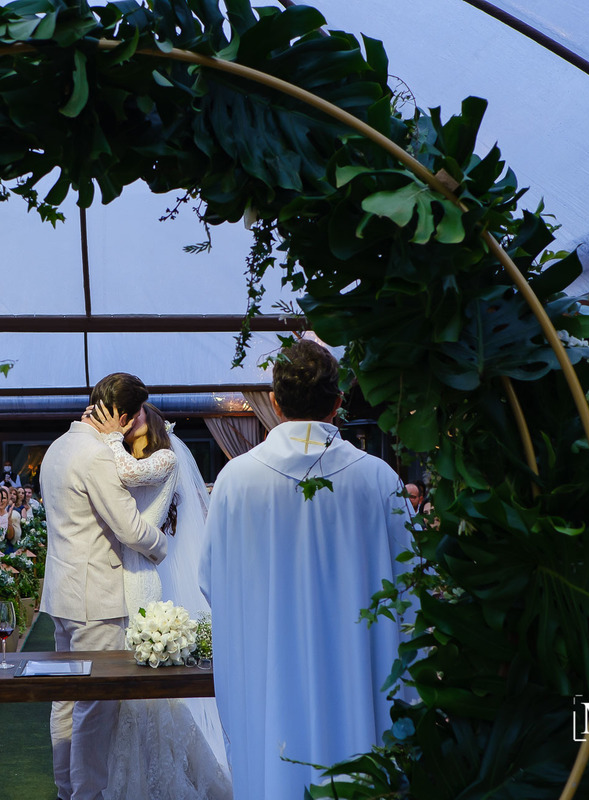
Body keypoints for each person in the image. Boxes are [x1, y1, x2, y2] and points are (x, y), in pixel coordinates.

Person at [200, 340, 413, 798]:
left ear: (274, 403)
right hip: (358, 677)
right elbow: (410, 587)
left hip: (270, 674)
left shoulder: (235, 481)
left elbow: (212, 580)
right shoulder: (379, 479)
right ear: (338, 403)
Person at [84, 401, 231, 799]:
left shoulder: (165, 458)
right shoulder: (123, 457)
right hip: (122, 566)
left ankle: (164, 772)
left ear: (154, 421)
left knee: (148, 666)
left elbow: (128, 474)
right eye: (126, 414)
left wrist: (108, 437)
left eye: (137, 414)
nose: (129, 420)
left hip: (144, 566)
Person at [40, 372, 168, 800]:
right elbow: (129, 528)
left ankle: (66, 790)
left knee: (65, 699)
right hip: (95, 597)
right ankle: (87, 795)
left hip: (63, 593)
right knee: (95, 705)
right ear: (125, 417)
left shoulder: (58, 446)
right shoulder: (96, 455)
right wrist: (162, 546)